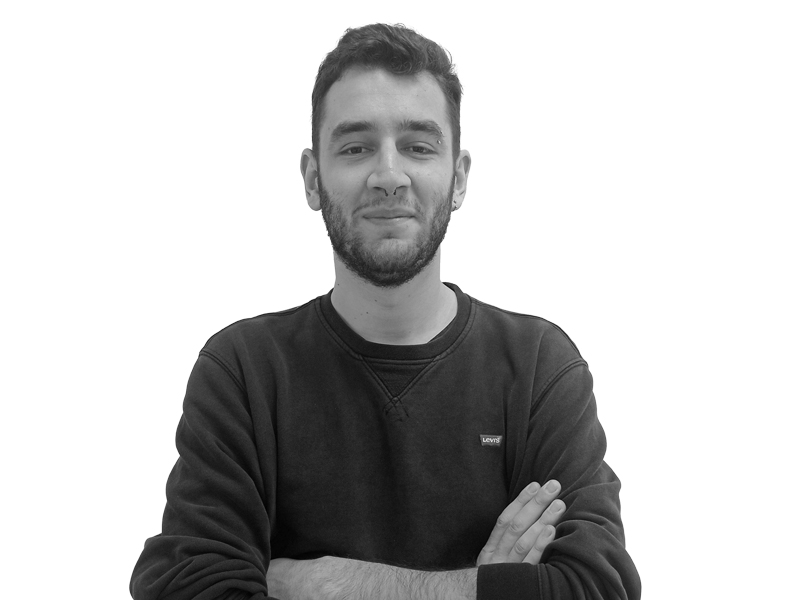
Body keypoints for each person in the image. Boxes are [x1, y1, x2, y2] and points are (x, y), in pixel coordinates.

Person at [130, 23, 641, 600]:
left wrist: (329, 585)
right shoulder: (244, 371)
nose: (389, 176)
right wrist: (492, 588)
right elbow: (190, 588)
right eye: (356, 148)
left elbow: (597, 587)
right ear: (312, 178)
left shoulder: (538, 368)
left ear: (459, 178)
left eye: (419, 146)